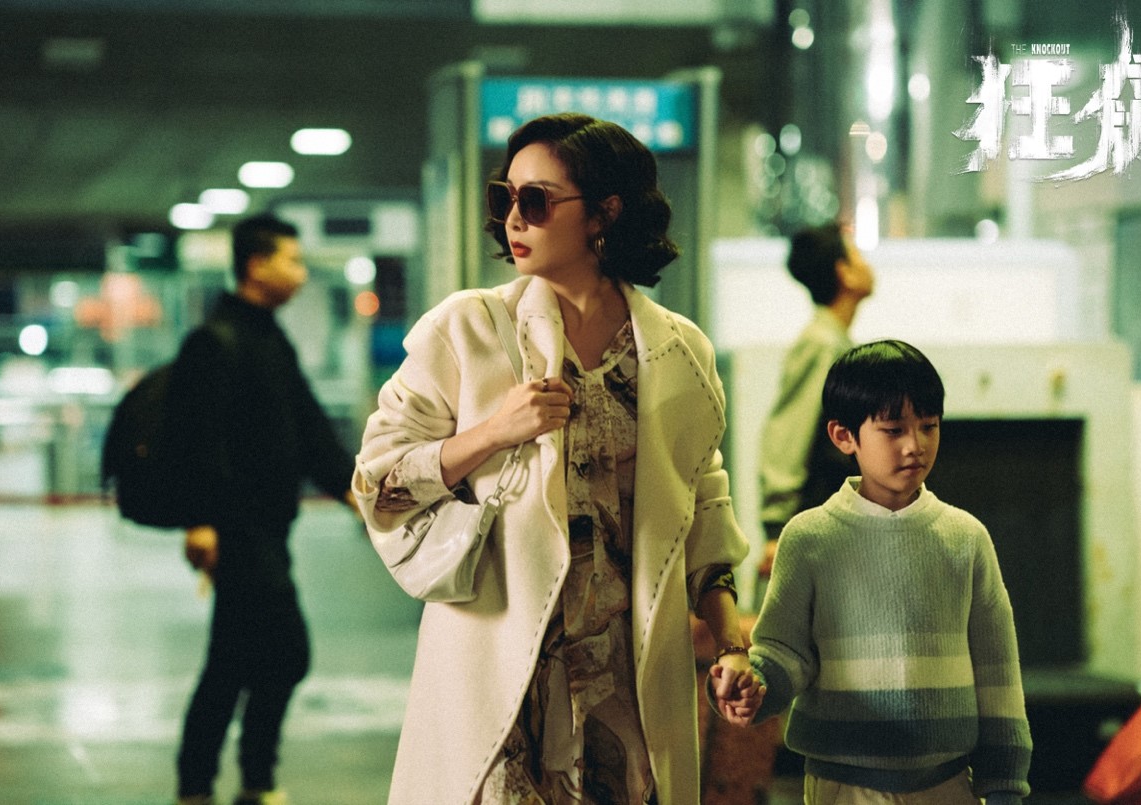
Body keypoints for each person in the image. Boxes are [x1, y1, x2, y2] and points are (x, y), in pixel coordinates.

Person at [353, 113, 753, 804]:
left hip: (625, 682)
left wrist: (730, 643)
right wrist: (493, 431)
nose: (514, 218)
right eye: (505, 198)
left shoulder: (678, 350)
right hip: (500, 675)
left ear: (606, 212)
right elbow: (378, 481)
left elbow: (703, 509)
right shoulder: (468, 328)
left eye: (535, 200)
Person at [718, 340, 1032, 805]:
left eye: (929, 426)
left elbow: (998, 669)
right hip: (844, 787)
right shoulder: (809, 539)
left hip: (948, 784)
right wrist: (754, 687)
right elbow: (784, 652)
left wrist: (1004, 784)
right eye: (893, 430)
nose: (915, 445)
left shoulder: (966, 538)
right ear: (844, 436)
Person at [166, 213, 359, 805]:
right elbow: (194, 442)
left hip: (270, 529)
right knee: (287, 653)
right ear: (256, 265)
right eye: (291, 261)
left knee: (230, 663)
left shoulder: (270, 339)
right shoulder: (214, 342)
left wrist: (353, 490)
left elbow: (307, 428)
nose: (300, 273)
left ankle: (211, 784)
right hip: (236, 529)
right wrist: (200, 522)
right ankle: (250, 777)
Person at [757, 220, 874, 543]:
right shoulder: (820, 344)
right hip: (810, 523)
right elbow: (789, 435)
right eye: (858, 256)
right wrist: (776, 527)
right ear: (845, 273)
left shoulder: (835, 342)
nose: (868, 265)